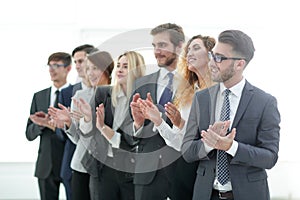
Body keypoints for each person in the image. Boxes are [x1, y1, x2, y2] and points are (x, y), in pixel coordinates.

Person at [181, 30, 281, 200]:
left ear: (239, 64)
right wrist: (208, 143)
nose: (212, 62)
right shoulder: (201, 98)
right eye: (213, 55)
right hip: (206, 194)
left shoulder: (265, 102)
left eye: (219, 58)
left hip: (248, 194)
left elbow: (270, 157)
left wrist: (231, 147)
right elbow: (187, 151)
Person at [138, 34, 216, 199]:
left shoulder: (220, 91)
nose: (189, 54)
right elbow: (179, 143)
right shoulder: (186, 94)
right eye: (188, 50)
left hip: (208, 171)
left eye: (196, 48)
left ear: (211, 54)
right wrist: (159, 121)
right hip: (184, 170)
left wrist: (182, 123)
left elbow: (211, 136)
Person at [76, 51, 146, 200]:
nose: (119, 69)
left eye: (126, 66)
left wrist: (103, 128)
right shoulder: (103, 93)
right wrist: (88, 119)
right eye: (119, 65)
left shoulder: (142, 99)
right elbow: (88, 133)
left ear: (136, 70)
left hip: (129, 171)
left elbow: (132, 141)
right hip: (101, 168)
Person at [129, 23, 185, 200]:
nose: (156, 51)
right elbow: (130, 134)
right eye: (154, 46)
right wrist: (137, 123)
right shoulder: (141, 83)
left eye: (162, 45)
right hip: (147, 172)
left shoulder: (196, 84)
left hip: (182, 171)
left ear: (179, 46)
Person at [49, 50, 114, 200]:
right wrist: (69, 123)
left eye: (95, 68)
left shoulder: (120, 96)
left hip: (111, 167)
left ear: (107, 69)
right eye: (88, 69)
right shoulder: (80, 97)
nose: (90, 73)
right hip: (82, 166)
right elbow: (78, 140)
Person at [25, 52, 72, 200]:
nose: (52, 70)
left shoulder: (76, 94)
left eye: (57, 65)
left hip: (69, 162)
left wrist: (52, 124)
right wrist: (40, 125)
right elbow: (29, 134)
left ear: (68, 68)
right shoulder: (39, 96)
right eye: (50, 65)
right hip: (46, 165)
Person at [56, 44, 94, 200]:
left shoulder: (109, 91)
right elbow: (62, 133)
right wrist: (62, 124)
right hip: (74, 159)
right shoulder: (68, 93)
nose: (78, 65)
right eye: (75, 62)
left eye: (81, 61)